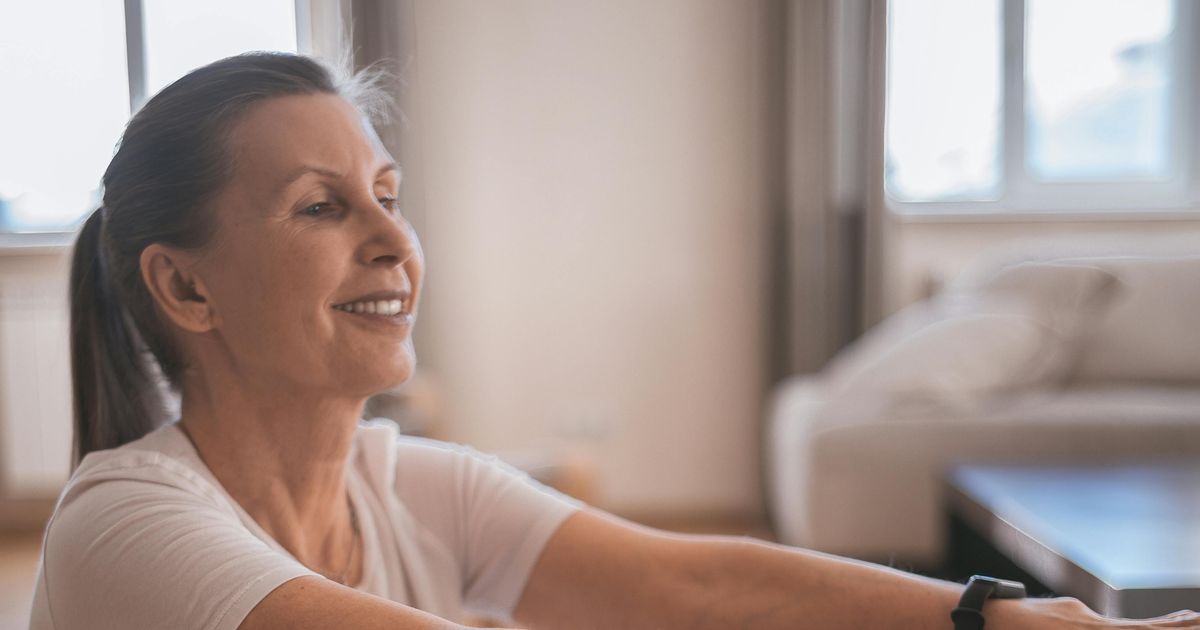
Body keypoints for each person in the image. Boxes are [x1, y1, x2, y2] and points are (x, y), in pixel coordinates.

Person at [27, 52, 1199, 630]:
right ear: (186, 288)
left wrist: (991, 613)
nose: (395, 239)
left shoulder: (403, 489)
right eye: (322, 207)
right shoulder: (127, 528)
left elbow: (694, 575)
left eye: (389, 192)